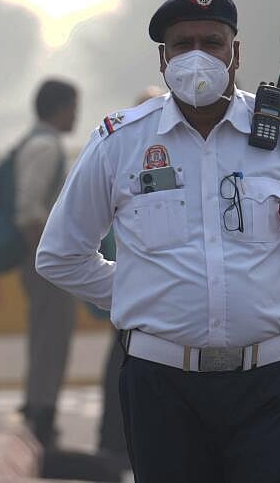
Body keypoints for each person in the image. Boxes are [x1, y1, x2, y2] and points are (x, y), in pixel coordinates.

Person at [36, 0, 280, 483]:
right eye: (182, 43)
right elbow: (60, 254)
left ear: (236, 53)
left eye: (212, 42)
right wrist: (144, 296)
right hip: (160, 388)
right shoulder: (121, 141)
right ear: (162, 59)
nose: (197, 56)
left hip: (269, 384)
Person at [95, 85, 164, 468]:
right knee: (126, 361)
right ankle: (117, 440)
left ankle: (117, 439)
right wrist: (122, 287)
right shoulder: (121, 156)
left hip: (141, 288)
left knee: (123, 360)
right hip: (137, 286)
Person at [15, 78, 79, 447]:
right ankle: (41, 417)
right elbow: (28, 210)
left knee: (47, 336)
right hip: (44, 261)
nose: (76, 114)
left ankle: (40, 410)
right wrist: (50, 256)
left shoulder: (38, 143)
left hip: (41, 260)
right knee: (51, 339)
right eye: (72, 105)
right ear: (58, 108)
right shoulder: (45, 147)